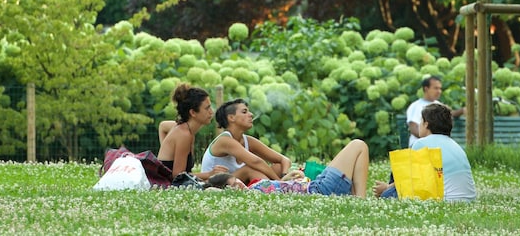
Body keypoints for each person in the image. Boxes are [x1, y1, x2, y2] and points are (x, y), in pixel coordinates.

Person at [376, 103, 476, 202]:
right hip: (468, 199)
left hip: (446, 200)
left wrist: (387, 188)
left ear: (426, 124)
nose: (419, 124)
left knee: (388, 192)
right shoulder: (456, 145)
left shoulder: (421, 144)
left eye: (420, 121)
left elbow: (409, 179)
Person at [205, 139, 370, 197]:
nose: (239, 185)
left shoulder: (254, 187)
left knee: (357, 153)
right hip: (319, 190)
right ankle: (360, 200)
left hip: (315, 184)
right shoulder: (251, 198)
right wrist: (224, 192)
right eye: (233, 187)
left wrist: (286, 179)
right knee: (358, 145)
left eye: (237, 181)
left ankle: (356, 197)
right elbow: (209, 191)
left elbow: (277, 187)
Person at [199, 98, 293, 183]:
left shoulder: (247, 140)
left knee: (278, 166)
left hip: (237, 182)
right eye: (244, 112)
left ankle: (276, 186)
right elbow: (256, 162)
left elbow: (284, 159)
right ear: (231, 118)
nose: (251, 115)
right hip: (216, 184)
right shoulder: (224, 140)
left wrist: (284, 174)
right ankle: (277, 188)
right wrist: (280, 182)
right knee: (249, 168)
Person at [155, 84, 228, 180]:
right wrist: (209, 174)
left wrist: (166, 150)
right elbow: (178, 176)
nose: (211, 112)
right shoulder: (184, 134)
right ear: (193, 112)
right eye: (207, 108)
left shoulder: (181, 128)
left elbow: (163, 126)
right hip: (167, 185)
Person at [405, 75, 465, 149]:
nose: (439, 91)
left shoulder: (439, 105)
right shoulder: (416, 106)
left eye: (440, 88)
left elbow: (450, 113)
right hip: (418, 147)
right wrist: (430, 141)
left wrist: (462, 110)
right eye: (436, 88)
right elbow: (413, 128)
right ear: (426, 89)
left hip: (438, 146)